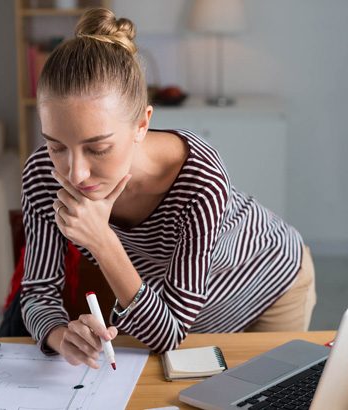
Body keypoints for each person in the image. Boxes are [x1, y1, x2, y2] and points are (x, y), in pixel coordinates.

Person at [20, 7, 316, 368]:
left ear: (142, 124)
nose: (75, 172)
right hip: (173, 305)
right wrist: (59, 335)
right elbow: (37, 292)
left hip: (268, 282)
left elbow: (168, 335)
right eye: (56, 146)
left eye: (98, 148)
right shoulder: (43, 175)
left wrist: (101, 239)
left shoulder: (199, 177)